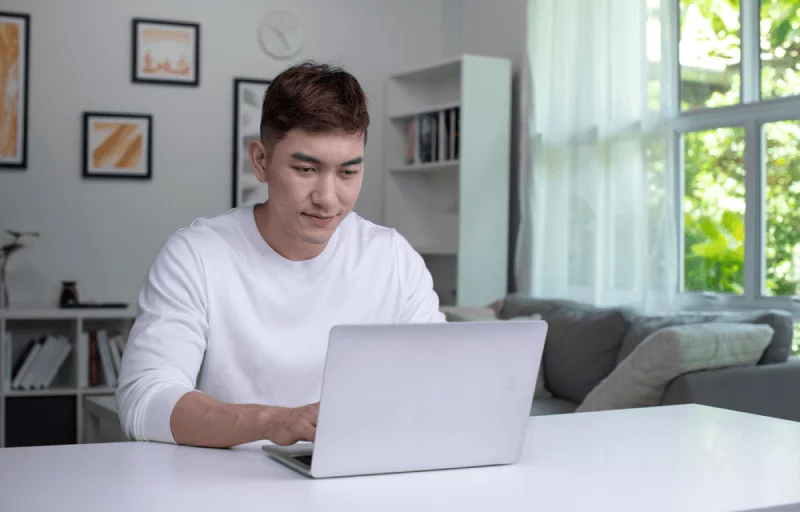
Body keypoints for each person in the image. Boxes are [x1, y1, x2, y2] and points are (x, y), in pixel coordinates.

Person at [116, 62, 446, 449]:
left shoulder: (393, 258)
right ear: (261, 161)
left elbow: (436, 382)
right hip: (226, 484)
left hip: (355, 479)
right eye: (306, 169)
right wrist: (272, 422)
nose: (327, 198)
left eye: (347, 173)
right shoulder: (196, 256)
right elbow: (144, 401)